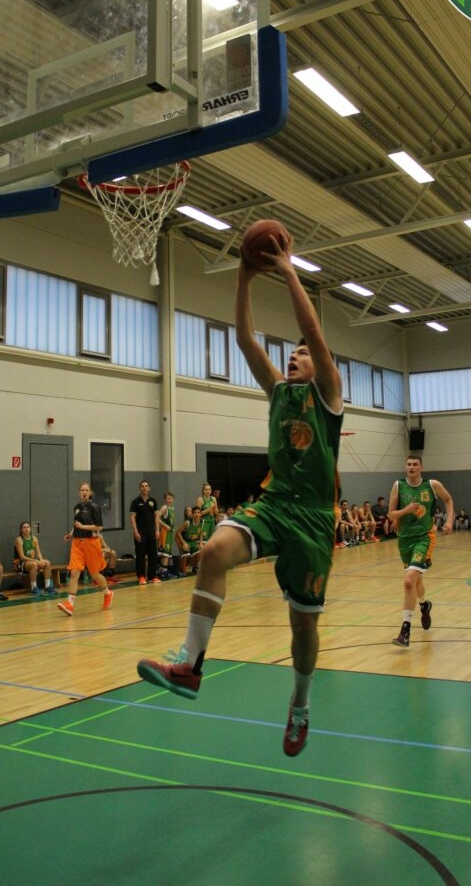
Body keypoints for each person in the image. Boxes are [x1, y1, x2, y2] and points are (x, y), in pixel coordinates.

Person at [138, 235, 344, 758]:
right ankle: (190, 665)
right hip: (274, 506)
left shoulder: (329, 396)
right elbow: (244, 337)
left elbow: (313, 330)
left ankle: (300, 705)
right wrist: (245, 275)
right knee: (211, 551)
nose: (295, 356)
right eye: (291, 353)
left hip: (314, 520)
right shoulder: (278, 393)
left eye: (302, 353)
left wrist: (288, 269)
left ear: (320, 364)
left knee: (303, 626)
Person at [388, 455, 454, 647]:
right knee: (415, 581)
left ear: (421, 467)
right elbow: (391, 514)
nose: (411, 467)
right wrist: (406, 510)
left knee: (409, 580)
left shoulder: (432, 485)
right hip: (405, 540)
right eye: (409, 464)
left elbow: (448, 499)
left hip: (425, 538)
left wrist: (449, 521)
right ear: (405, 467)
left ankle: (405, 631)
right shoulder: (398, 486)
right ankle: (424, 605)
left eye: (415, 464)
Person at [59, 482, 113, 615]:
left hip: (91, 543)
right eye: (82, 490)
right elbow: (76, 524)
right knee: (74, 573)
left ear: (90, 492)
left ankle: (107, 593)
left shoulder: (94, 507)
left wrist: (83, 527)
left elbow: (99, 527)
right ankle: (70, 604)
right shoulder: (77, 507)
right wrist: (71, 534)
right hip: (77, 544)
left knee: (94, 574)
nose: (84, 492)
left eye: (86, 490)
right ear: (79, 492)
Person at [14, 522, 56, 596]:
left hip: (31, 562)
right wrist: (36, 561)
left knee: (47, 563)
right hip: (20, 564)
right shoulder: (19, 540)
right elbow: (22, 557)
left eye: (28, 527)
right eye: (24, 527)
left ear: (30, 529)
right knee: (34, 564)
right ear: (21, 530)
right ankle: (33, 588)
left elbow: (38, 552)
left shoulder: (34, 539)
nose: (26, 529)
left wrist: (41, 560)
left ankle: (48, 586)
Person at [130, 480, 159, 585]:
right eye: (142, 486)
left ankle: (152, 576)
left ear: (149, 488)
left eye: (146, 486)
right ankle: (141, 576)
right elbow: (132, 518)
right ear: (140, 488)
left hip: (151, 532)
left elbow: (156, 516)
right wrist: (135, 532)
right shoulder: (135, 502)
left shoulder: (153, 501)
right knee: (140, 555)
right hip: (140, 533)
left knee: (152, 555)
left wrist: (157, 530)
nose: (144, 488)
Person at [174, 504, 205, 574]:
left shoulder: (202, 522)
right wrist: (184, 543)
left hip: (191, 541)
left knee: (200, 552)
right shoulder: (188, 522)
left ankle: (195, 567)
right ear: (192, 514)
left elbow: (201, 532)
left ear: (200, 514)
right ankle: (182, 571)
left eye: (198, 512)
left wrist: (200, 543)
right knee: (185, 555)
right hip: (182, 540)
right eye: (195, 512)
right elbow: (178, 532)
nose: (197, 514)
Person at [156, 491, 176, 579]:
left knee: (167, 553)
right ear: (165, 499)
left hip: (169, 532)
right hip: (164, 532)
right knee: (164, 553)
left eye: (171, 498)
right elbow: (156, 517)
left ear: (173, 500)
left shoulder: (172, 508)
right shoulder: (164, 508)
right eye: (168, 498)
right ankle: (164, 572)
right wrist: (165, 525)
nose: (169, 500)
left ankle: (163, 570)